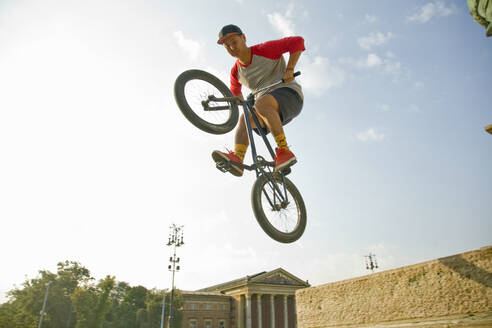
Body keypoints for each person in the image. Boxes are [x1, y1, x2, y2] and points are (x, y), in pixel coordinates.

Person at [212, 24, 305, 177]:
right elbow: (236, 94)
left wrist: (289, 69)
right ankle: (238, 160)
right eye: (227, 46)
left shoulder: (265, 49)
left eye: (234, 42)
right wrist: (237, 104)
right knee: (245, 119)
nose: (231, 47)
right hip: (267, 108)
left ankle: (284, 150)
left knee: (261, 103)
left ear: (244, 38)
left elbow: (297, 42)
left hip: (290, 96)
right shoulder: (236, 72)